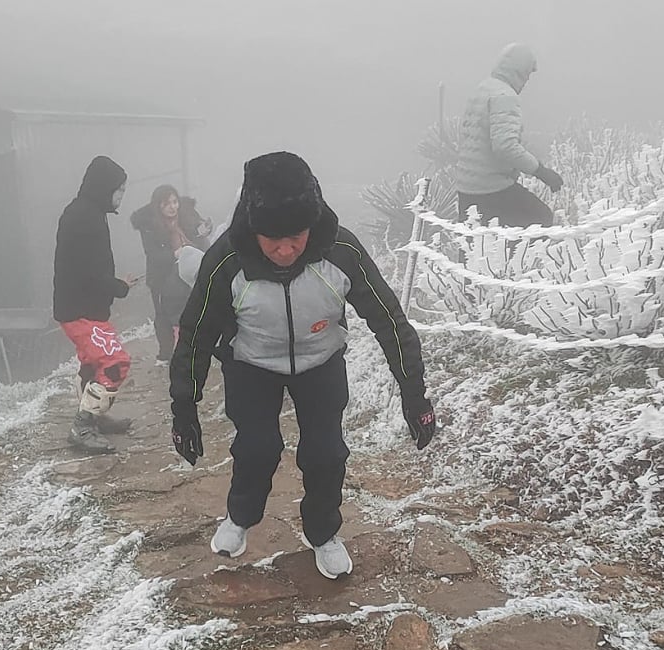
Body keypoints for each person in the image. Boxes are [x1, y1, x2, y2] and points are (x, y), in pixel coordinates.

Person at [168, 151, 437, 579]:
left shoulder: (340, 250)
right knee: (257, 449)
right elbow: (196, 332)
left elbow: (389, 319)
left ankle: (324, 534)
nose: (286, 249)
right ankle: (240, 518)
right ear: (253, 229)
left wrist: (414, 394)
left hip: (320, 360)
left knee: (326, 454)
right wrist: (184, 406)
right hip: (251, 363)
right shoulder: (226, 260)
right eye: (272, 238)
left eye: (296, 236)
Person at [53, 155, 136, 454]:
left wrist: (113, 285)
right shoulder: (84, 218)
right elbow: (87, 271)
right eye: (119, 190)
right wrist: (119, 287)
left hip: (78, 307)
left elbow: (88, 268)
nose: (121, 197)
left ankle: (95, 418)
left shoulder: (86, 212)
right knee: (115, 363)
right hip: (81, 311)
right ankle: (83, 426)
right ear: (103, 187)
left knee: (92, 363)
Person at [454, 43, 564, 228]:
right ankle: (519, 258)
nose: (527, 81)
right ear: (518, 72)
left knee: (473, 244)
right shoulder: (505, 96)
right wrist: (541, 171)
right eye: (527, 75)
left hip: (467, 187)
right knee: (539, 219)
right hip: (491, 188)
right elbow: (505, 147)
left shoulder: (483, 88)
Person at [131, 185, 213, 362]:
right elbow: (152, 253)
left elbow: (199, 233)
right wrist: (174, 254)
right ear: (158, 206)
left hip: (189, 270)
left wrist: (204, 230)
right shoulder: (149, 224)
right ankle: (165, 355)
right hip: (162, 275)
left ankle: (195, 347)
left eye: (175, 202)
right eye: (167, 204)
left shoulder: (188, 213)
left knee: (193, 308)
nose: (172, 207)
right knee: (163, 316)